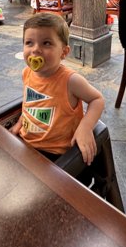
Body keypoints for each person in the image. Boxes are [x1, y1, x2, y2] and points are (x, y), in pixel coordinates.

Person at [10, 13, 105, 165]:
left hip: (55, 155)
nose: (36, 50)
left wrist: (85, 128)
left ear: (64, 52)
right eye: (29, 42)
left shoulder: (71, 81)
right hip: (27, 143)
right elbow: (31, 104)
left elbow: (97, 100)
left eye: (46, 43)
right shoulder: (27, 73)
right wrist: (20, 123)